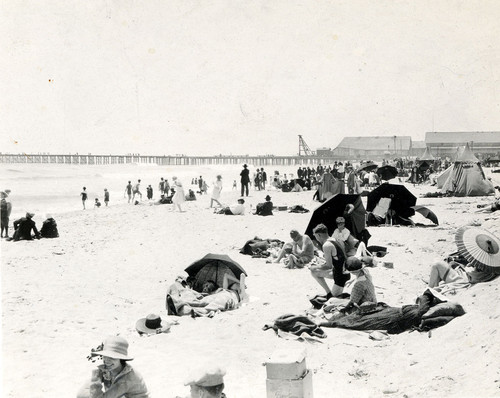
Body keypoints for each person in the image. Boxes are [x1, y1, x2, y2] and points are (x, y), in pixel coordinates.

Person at [76, 335, 150, 398]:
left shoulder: (127, 379)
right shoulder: (112, 368)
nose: (107, 361)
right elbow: (80, 394)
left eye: (112, 357)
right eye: (105, 356)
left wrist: (96, 376)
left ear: (121, 359)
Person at [309, 223, 349, 299]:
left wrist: (315, 267)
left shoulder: (326, 245)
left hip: (340, 276)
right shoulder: (336, 240)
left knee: (333, 300)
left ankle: (332, 295)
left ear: (319, 235)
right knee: (314, 272)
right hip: (344, 271)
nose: (316, 239)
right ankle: (329, 293)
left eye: (316, 236)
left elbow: (328, 266)